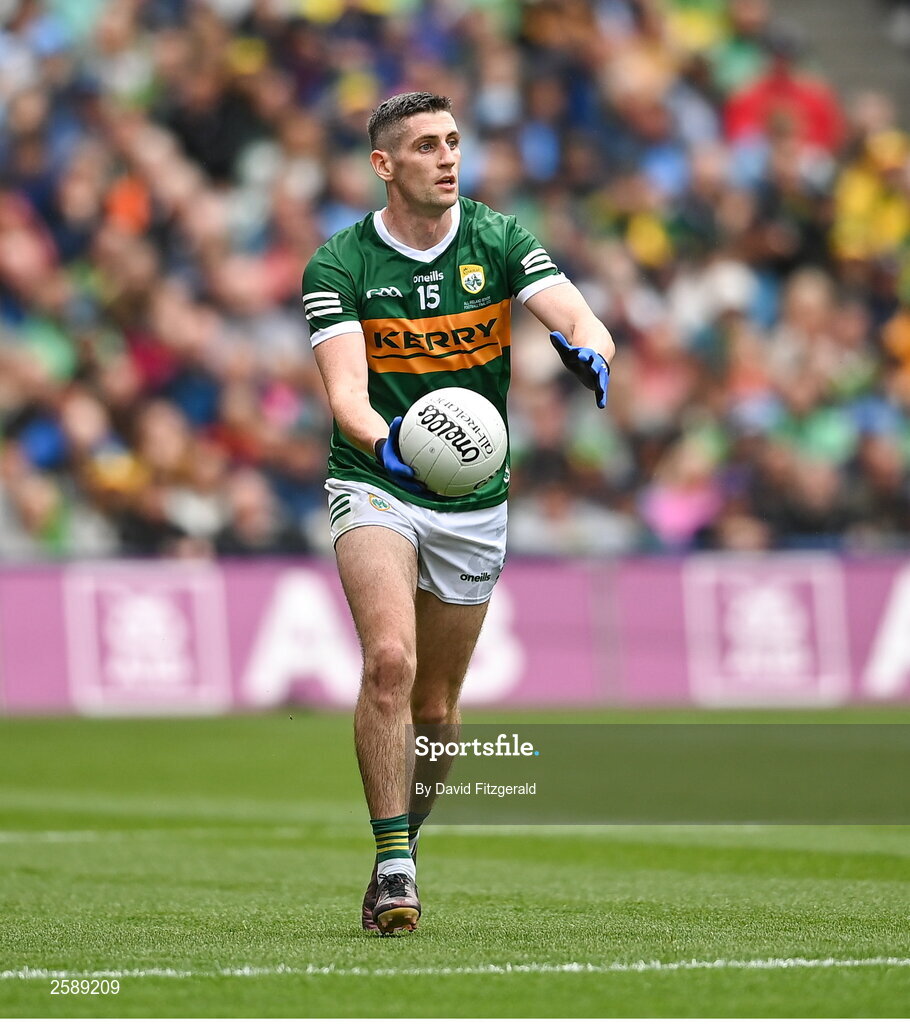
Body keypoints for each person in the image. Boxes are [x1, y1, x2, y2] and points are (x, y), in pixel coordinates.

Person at [302, 92, 614, 934]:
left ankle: (395, 847)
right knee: (390, 664)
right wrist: (389, 446)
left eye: (453, 141)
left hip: (475, 501)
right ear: (384, 165)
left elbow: (577, 312)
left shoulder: (500, 239)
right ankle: (399, 862)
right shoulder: (338, 266)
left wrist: (591, 347)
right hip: (378, 482)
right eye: (426, 146)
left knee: (436, 711)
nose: (447, 157)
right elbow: (347, 400)